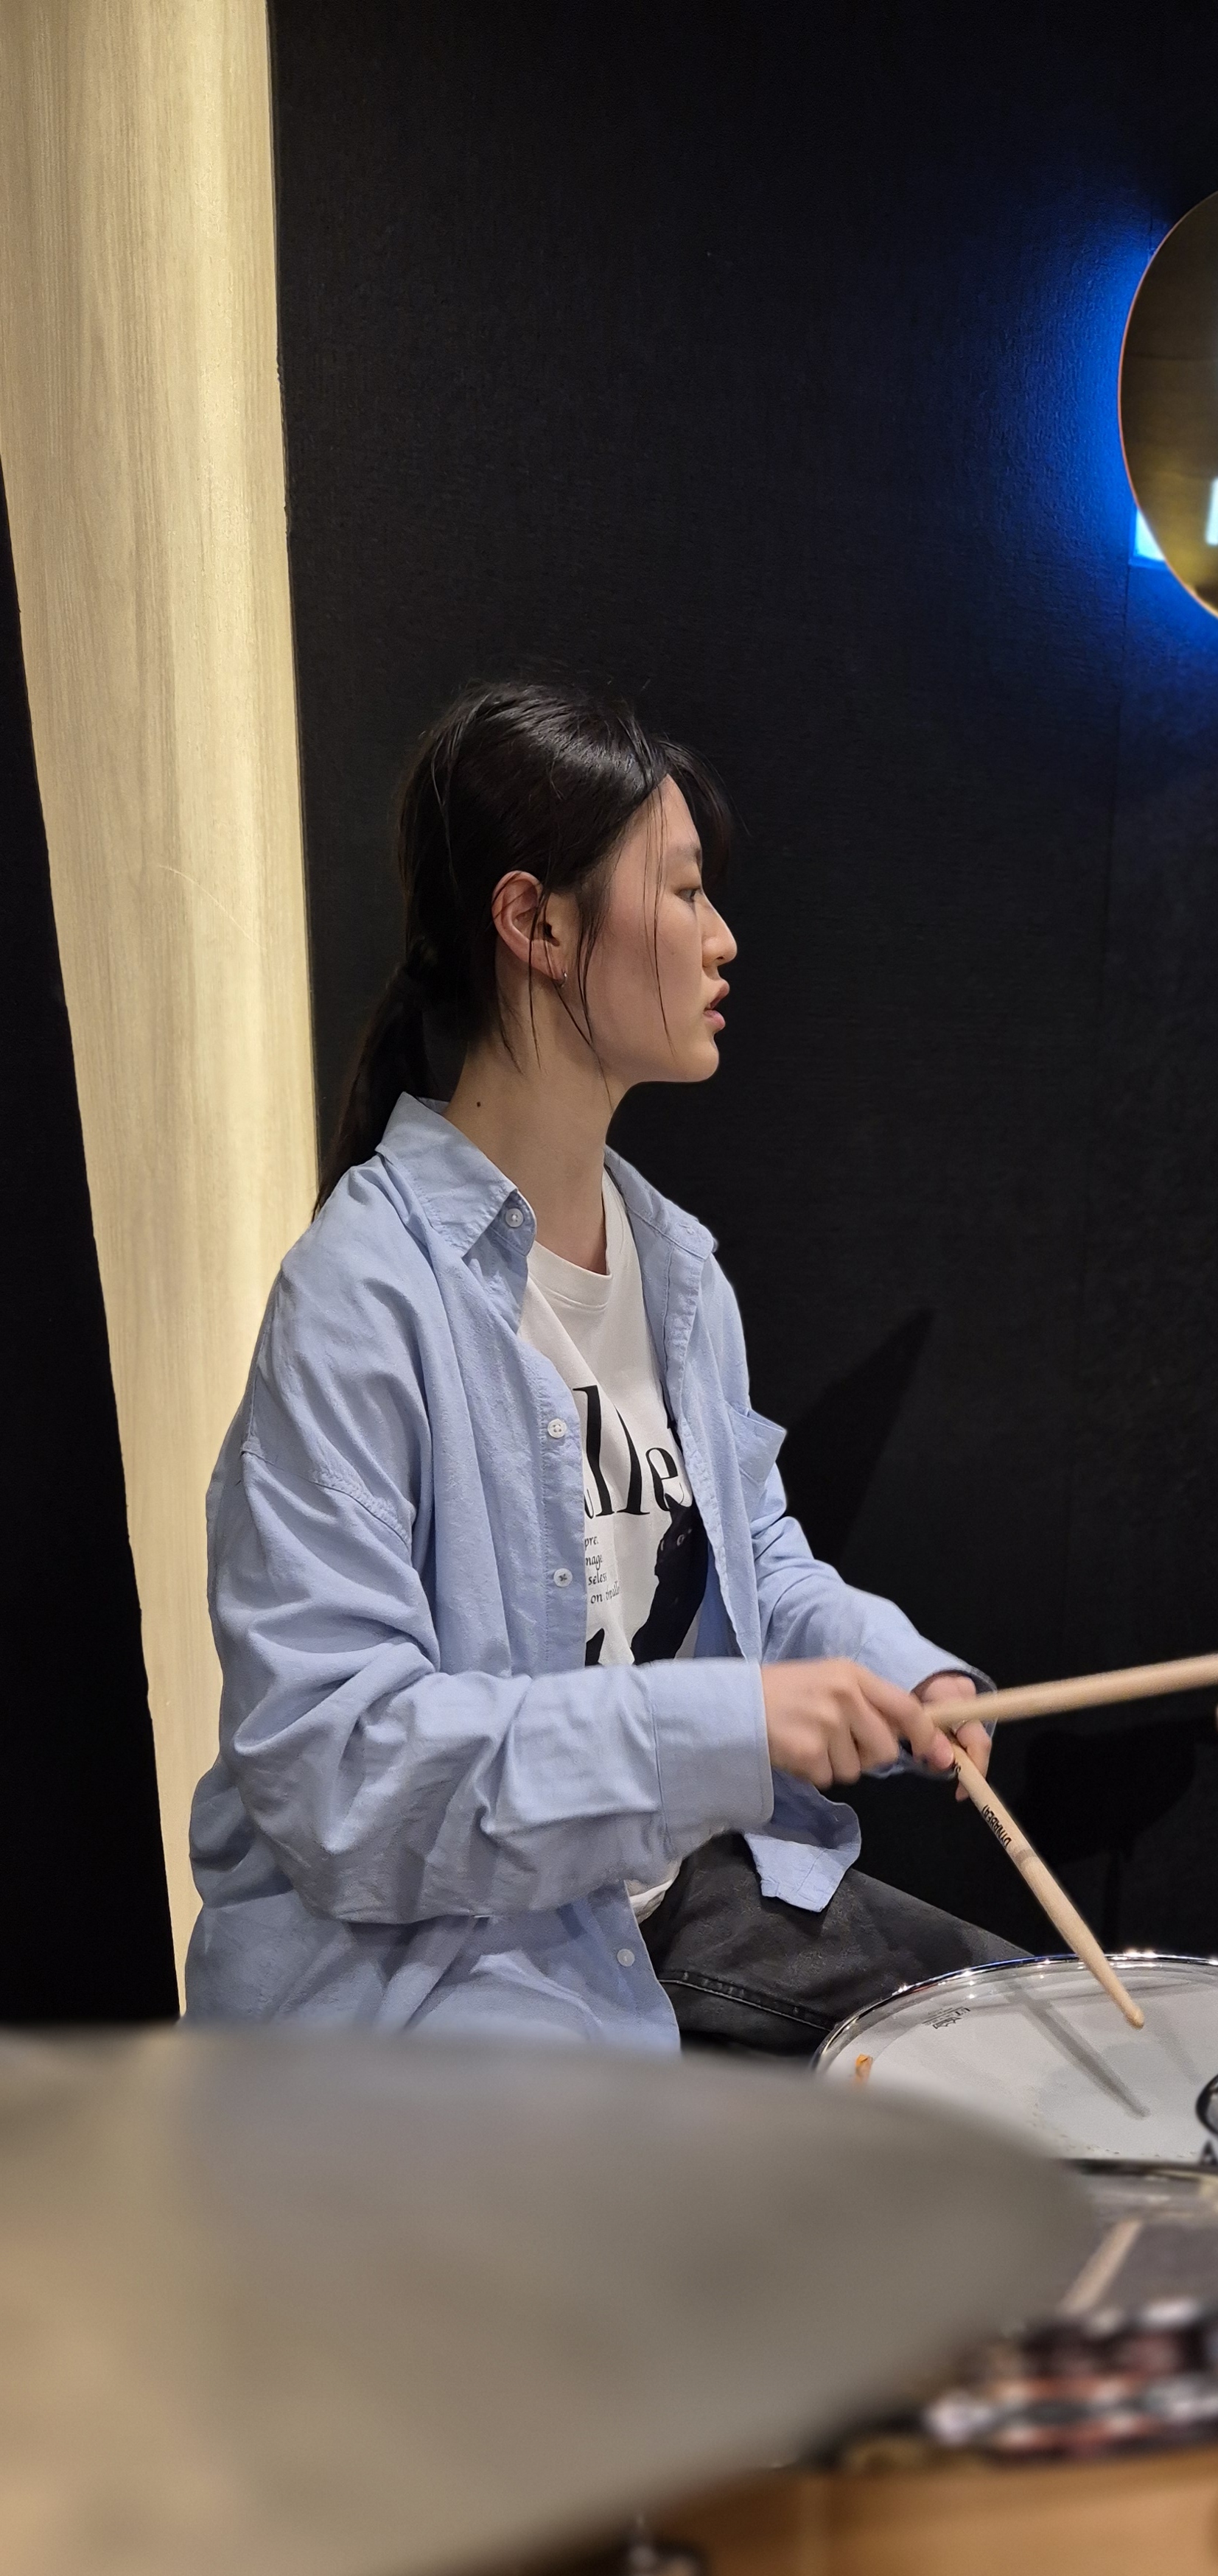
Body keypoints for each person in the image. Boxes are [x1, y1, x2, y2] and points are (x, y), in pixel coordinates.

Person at [186, 678, 1017, 2052]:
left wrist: (894, 1670)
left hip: (651, 1902)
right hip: (432, 1972)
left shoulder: (675, 1267)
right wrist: (725, 1726)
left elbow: (755, 1559)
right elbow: (341, 1772)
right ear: (537, 924)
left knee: (1032, 2045)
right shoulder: (360, 1297)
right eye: (683, 892)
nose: (722, 937)